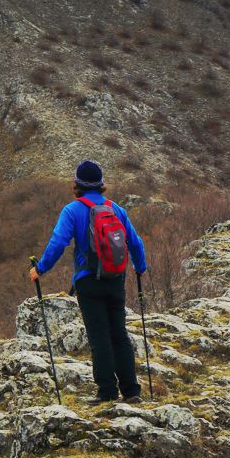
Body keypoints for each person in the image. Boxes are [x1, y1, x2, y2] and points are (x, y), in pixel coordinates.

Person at [30, 160, 147, 405]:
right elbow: (135, 242)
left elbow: (58, 242)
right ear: (101, 183)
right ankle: (132, 391)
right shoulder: (116, 209)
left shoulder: (72, 210)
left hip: (88, 282)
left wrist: (40, 268)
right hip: (116, 279)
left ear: (77, 183)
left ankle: (107, 392)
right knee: (119, 335)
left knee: (99, 338)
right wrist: (140, 267)